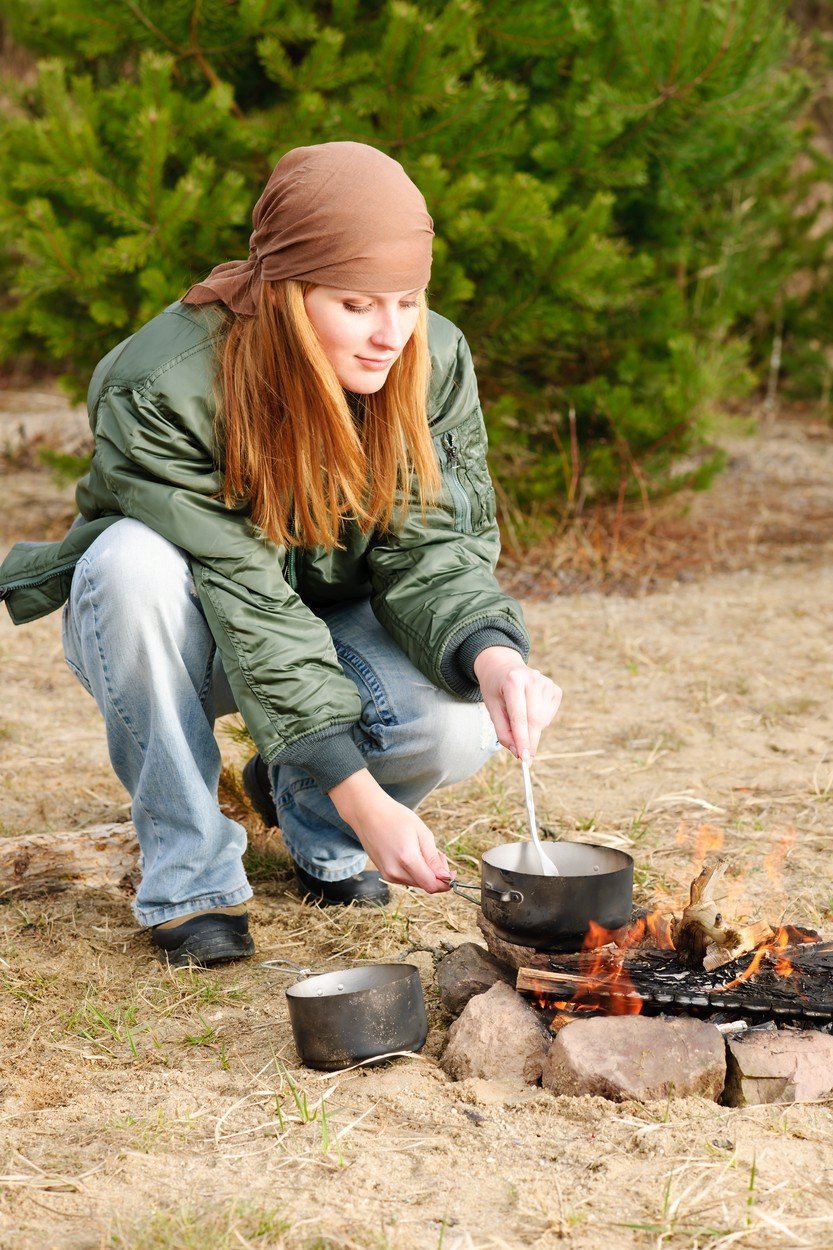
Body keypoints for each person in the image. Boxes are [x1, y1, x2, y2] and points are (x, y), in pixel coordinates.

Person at [0, 142, 562, 967]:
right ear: (287, 290)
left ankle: (306, 811)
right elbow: (245, 594)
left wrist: (491, 656)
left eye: (406, 302)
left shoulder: (431, 357)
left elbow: (434, 544)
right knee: (129, 562)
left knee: (456, 723)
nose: (388, 335)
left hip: (334, 625)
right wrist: (366, 794)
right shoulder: (163, 384)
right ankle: (191, 877)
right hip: (189, 631)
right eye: (357, 305)